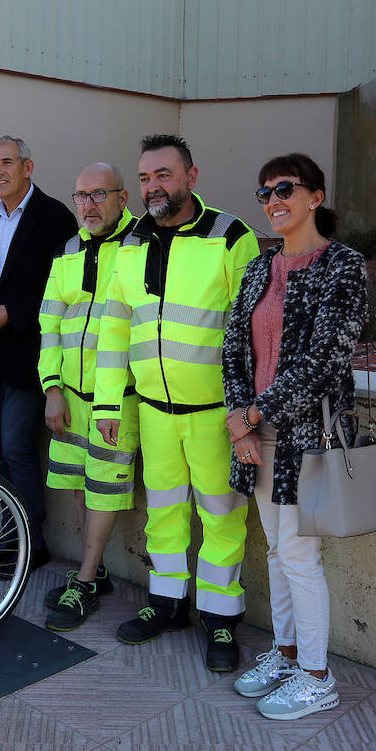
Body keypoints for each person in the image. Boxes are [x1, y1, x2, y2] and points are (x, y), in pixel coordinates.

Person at [94, 134, 260, 673]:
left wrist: (245, 412)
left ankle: (219, 620)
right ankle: (166, 605)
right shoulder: (130, 243)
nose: (152, 187)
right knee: (162, 515)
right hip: (153, 411)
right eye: (144, 178)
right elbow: (114, 330)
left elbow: (249, 330)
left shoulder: (232, 237)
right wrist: (106, 407)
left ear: (192, 177)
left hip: (216, 413)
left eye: (163, 175)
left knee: (221, 518)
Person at [223, 153, 367, 720]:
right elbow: (234, 346)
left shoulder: (343, 266)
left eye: (285, 188)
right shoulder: (260, 268)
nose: (274, 201)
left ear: (316, 196)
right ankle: (286, 654)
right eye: (264, 193)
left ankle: (316, 675)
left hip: (308, 435)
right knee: (278, 550)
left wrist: (253, 415)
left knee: (302, 557)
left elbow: (327, 358)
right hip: (257, 434)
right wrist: (241, 418)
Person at [0, 136, 77, 572]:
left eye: (6, 162)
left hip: (33, 354)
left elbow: (60, 290)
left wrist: (15, 313)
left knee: (19, 448)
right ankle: (11, 534)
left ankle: (33, 542)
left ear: (28, 167)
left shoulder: (55, 218)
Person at [38, 163, 140, 630]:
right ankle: (95, 573)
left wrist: (112, 397)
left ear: (122, 197)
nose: (88, 205)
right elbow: (51, 327)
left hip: (118, 395)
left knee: (103, 487)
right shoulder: (66, 250)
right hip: (70, 395)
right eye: (81, 196)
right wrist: (52, 388)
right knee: (82, 483)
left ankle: (82, 581)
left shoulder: (143, 244)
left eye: (99, 194)